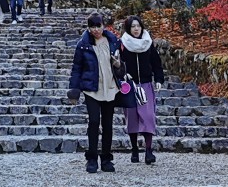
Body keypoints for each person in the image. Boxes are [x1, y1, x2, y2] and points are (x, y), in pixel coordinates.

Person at [67, 14, 124, 172]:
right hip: (91, 88)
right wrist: (74, 90)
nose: (96, 30)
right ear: (88, 28)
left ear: (103, 26)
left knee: (108, 124)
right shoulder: (83, 45)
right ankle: (91, 158)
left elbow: (121, 67)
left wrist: (119, 65)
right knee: (93, 122)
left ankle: (106, 158)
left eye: (98, 26)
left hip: (110, 87)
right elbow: (76, 68)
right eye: (93, 27)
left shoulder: (113, 41)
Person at [119, 16, 163, 165]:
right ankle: (134, 149)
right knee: (131, 117)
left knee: (148, 116)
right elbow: (117, 65)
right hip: (129, 85)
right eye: (133, 26)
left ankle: (149, 150)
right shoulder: (123, 44)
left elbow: (156, 63)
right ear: (128, 28)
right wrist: (122, 75)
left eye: (138, 26)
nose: (136, 29)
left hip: (145, 83)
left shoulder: (148, 43)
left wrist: (158, 79)